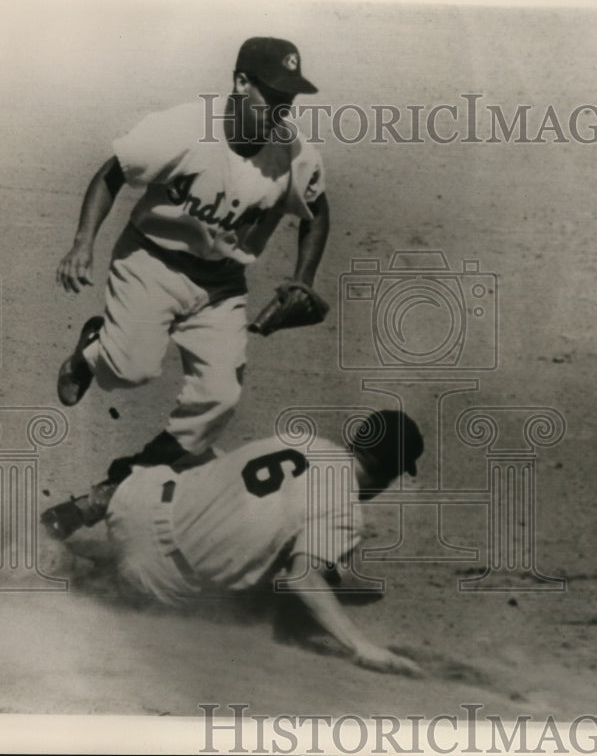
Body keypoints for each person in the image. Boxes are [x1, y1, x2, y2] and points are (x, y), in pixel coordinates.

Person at [48, 37, 329, 535]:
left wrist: (301, 281)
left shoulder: (294, 154)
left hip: (221, 286)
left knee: (218, 400)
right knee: (128, 370)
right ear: (241, 82)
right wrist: (82, 243)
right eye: (273, 95)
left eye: (290, 100)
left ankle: (121, 483)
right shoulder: (182, 129)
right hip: (151, 262)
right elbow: (111, 174)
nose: (282, 109)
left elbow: (319, 212)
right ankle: (92, 350)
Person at [57, 410, 425, 677]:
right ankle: (83, 572)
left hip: (139, 499)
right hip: (158, 574)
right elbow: (303, 578)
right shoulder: (346, 511)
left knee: (216, 461)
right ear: (390, 473)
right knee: (264, 592)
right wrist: (360, 644)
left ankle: (91, 506)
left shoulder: (302, 441)